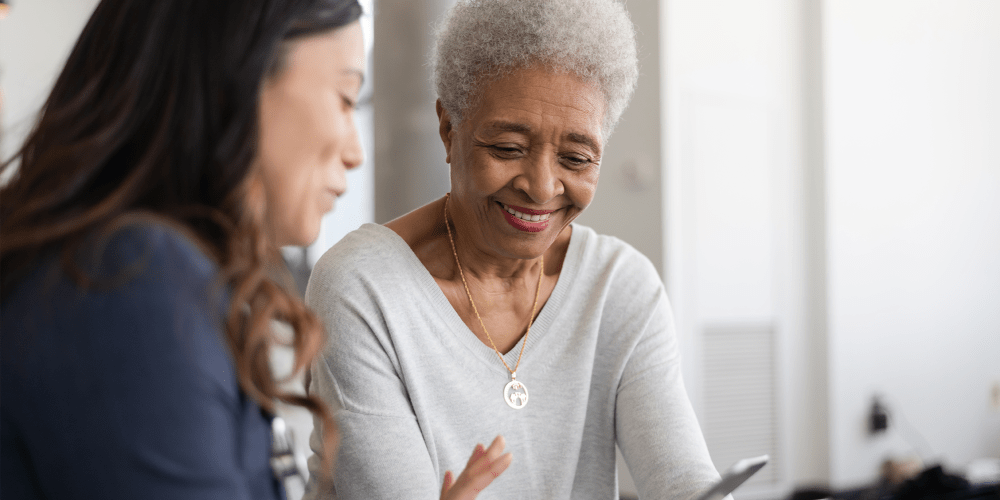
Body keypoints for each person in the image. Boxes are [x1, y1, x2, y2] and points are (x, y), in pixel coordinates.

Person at [0, 1, 505, 498]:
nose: (354, 151)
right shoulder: (131, 281)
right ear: (240, 79)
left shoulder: (145, 273)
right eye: (346, 98)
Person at [303, 0, 724, 498]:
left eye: (576, 158)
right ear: (449, 128)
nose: (543, 187)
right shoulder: (364, 287)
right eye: (507, 148)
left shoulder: (619, 287)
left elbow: (683, 481)